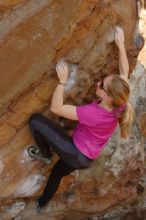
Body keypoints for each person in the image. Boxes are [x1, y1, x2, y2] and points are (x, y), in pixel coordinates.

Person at [27, 26, 133, 210]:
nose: (98, 82)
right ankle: (41, 204)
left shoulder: (93, 114)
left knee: (35, 121)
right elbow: (124, 73)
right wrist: (121, 45)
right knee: (57, 173)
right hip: (86, 158)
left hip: (76, 152)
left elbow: (56, 107)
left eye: (102, 85)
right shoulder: (120, 103)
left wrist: (62, 81)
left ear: (107, 96)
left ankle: (45, 154)